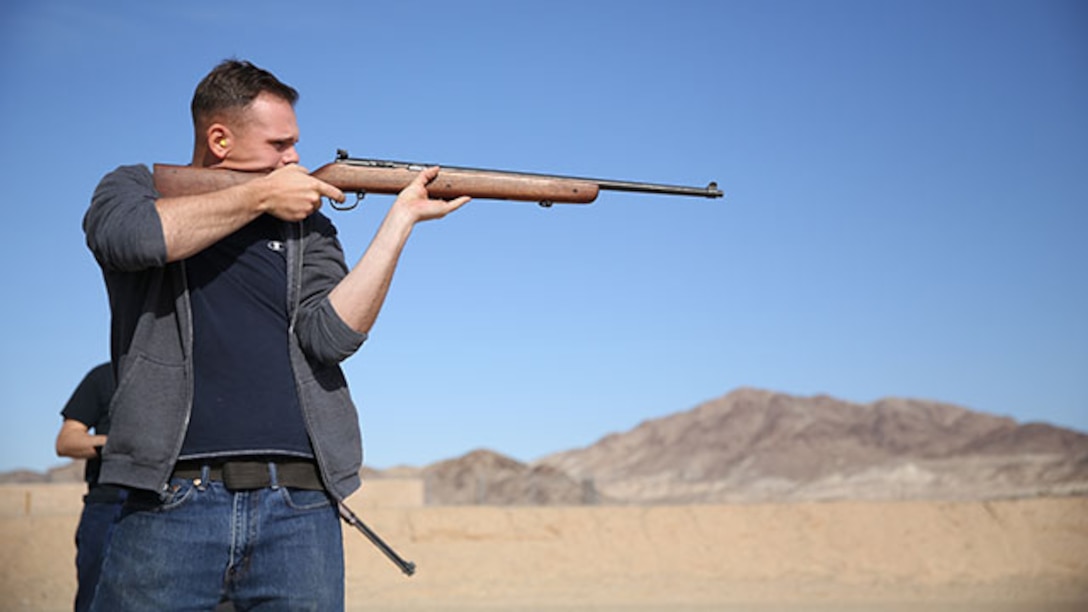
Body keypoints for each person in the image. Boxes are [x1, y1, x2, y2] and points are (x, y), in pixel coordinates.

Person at [83, 59, 469, 611]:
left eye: (296, 143)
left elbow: (330, 337)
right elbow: (132, 239)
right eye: (279, 144)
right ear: (219, 138)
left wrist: (399, 223)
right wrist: (260, 197)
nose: (294, 158)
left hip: (301, 505)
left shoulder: (308, 226)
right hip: (170, 498)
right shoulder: (135, 189)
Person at [55, 361, 124, 612]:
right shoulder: (102, 376)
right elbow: (66, 441)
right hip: (108, 504)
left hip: (170, 502)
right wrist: (116, 442)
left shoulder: (182, 376)